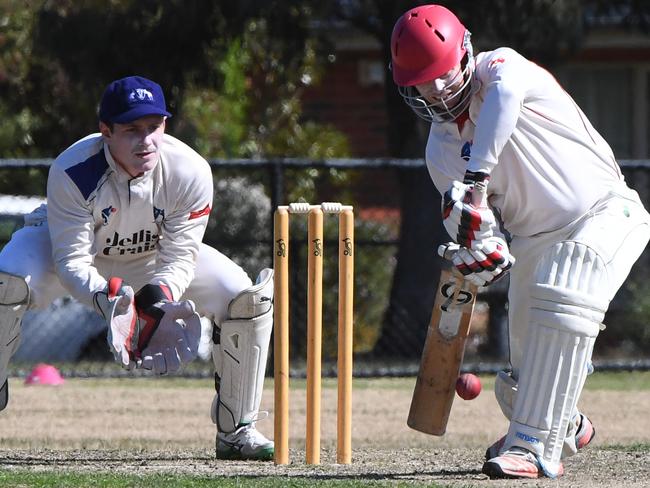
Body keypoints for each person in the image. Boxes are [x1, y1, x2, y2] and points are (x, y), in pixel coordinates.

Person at [390, 4, 650, 480]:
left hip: (606, 213)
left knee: (566, 289)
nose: (436, 89)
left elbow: (502, 107)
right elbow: (480, 227)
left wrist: (477, 178)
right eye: (422, 82)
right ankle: (565, 424)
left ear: (466, 53)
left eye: (442, 74)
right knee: (520, 387)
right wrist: (480, 248)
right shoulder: (440, 149)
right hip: (533, 242)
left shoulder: (503, 69)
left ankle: (534, 447)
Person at [0, 75, 275, 461]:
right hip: (76, 256)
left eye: (154, 128)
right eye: (132, 130)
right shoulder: (73, 170)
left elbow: (180, 256)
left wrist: (158, 303)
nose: (146, 141)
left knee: (245, 299)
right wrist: (111, 300)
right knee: (7, 280)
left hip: (152, 262)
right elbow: (72, 260)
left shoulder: (189, 171)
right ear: (106, 132)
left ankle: (237, 428)